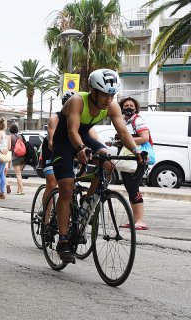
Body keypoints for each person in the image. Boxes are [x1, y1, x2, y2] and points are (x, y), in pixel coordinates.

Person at [52, 69, 143, 262]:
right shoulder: (78, 100)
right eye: (104, 94)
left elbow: (124, 133)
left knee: (107, 163)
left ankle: (88, 204)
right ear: (93, 91)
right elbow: (71, 131)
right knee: (66, 188)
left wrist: (136, 151)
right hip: (65, 139)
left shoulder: (112, 106)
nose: (108, 99)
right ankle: (63, 239)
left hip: (83, 137)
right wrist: (81, 148)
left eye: (112, 95)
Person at [117, 97, 149, 230]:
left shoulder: (138, 120)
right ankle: (134, 220)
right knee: (130, 188)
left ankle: (141, 220)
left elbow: (145, 137)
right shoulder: (124, 121)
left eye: (131, 105)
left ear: (135, 108)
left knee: (133, 188)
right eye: (126, 105)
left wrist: (127, 140)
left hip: (138, 158)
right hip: (128, 158)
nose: (129, 107)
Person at [9, 124, 25, 195]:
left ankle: (21, 190)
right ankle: (19, 189)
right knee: (19, 174)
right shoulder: (20, 136)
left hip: (16, 157)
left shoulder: (10, 137)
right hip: (23, 156)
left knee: (18, 174)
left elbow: (9, 147)